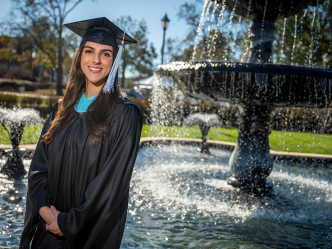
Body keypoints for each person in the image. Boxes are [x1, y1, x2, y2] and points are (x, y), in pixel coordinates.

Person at [19, 17, 142, 249]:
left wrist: (68, 223)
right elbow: (38, 169)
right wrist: (47, 213)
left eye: (106, 53)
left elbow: (111, 187)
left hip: (86, 237)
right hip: (48, 232)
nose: (96, 60)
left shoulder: (124, 115)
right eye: (89, 51)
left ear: (114, 61)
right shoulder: (61, 108)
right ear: (79, 56)